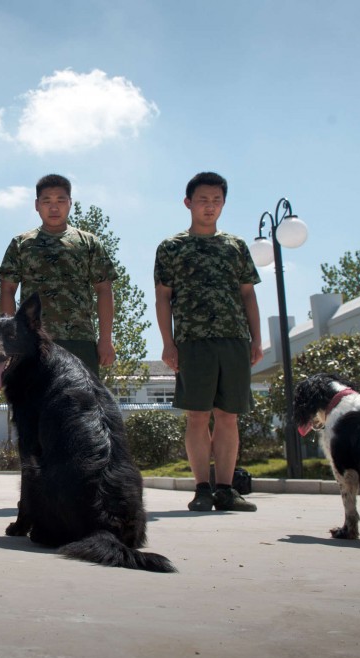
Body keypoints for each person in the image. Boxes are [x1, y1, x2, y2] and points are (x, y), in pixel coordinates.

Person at [153, 171, 262, 512]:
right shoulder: (172, 247)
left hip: (233, 340)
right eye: (203, 200)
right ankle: (202, 489)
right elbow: (162, 298)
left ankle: (227, 491)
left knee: (228, 416)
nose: (210, 206)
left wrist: (256, 339)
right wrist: (168, 344)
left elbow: (248, 295)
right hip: (192, 341)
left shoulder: (236, 246)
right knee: (198, 416)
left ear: (223, 204)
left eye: (216, 201)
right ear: (188, 203)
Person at [0, 174, 117, 377]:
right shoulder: (21, 243)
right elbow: (8, 290)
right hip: (32, 341)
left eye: (61, 201)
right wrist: (10, 337)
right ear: (37, 205)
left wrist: (105, 339)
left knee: (82, 405)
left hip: (80, 339)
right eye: (47, 201)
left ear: (70, 203)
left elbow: (104, 290)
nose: (54, 208)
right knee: (31, 403)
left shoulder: (88, 242)